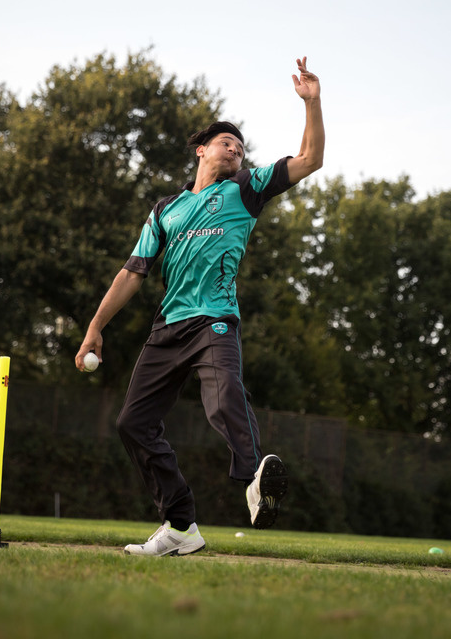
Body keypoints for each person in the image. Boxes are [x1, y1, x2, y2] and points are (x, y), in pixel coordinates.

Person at [75, 57, 325, 557]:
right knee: (132, 424)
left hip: (215, 321)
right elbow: (132, 272)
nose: (235, 149)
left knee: (225, 395)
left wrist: (312, 103)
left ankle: (256, 479)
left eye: (240, 145)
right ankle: (180, 525)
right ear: (201, 150)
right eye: (226, 142)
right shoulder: (165, 210)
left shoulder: (246, 189)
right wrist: (95, 328)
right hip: (167, 328)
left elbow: (310, 158)